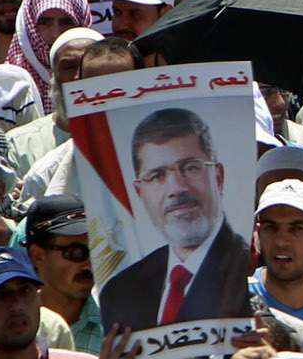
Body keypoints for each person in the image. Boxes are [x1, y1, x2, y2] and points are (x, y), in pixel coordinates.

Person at [94, 106, 246, 336]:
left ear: (218, 176)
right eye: (157, 176)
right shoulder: (120, 292)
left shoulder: (246, 271)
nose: (177, 188)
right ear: (140, 192)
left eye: (190, 168)